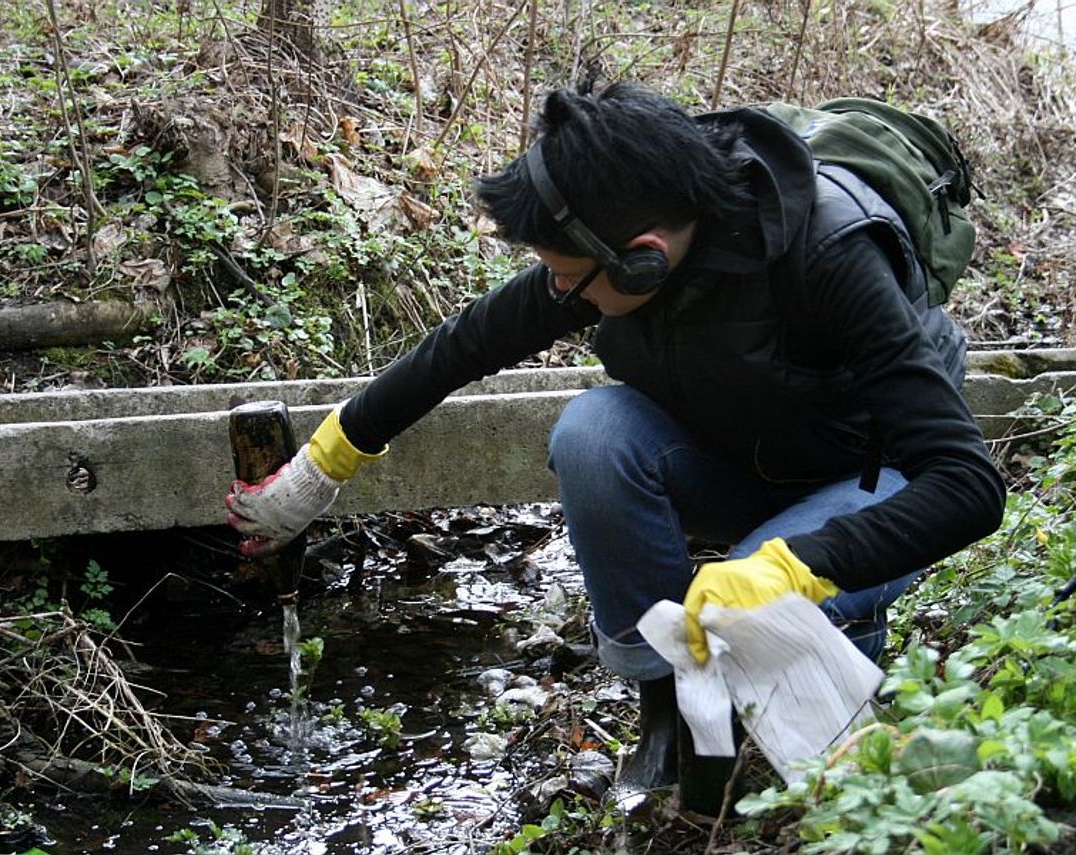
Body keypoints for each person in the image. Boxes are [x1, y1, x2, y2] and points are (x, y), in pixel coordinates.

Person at [226, 82, 1006, 806]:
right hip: (747, 457)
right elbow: (461, 346)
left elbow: (968, 486)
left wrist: (792, 567)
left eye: (569, 278)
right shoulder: (614, 254)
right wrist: (320, 468)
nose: (560, 294)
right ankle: (663, 707)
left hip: (867, 480)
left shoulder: (832, 255)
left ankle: (827, 684)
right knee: (593, 431)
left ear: (644, 252)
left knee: (747, 602)